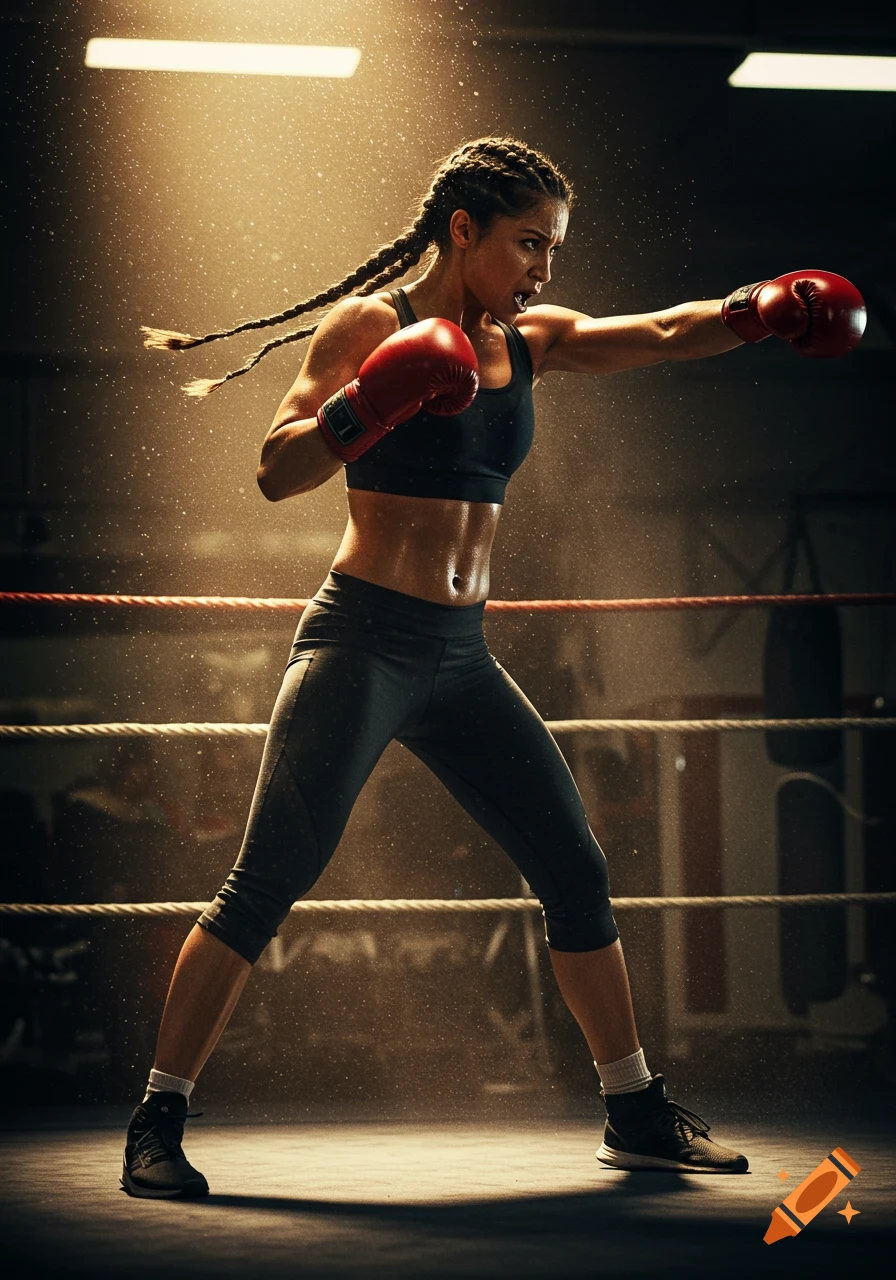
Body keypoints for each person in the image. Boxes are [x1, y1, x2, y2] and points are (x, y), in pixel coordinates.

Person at [125, 136, 865, 1197]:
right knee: (264, 880)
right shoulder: (369, 327)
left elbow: (656, 332)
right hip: (362, 638)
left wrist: (761, 307)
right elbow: (274, 470)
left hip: (461, 657)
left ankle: (634, 1110)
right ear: (459, 229)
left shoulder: (525, 341)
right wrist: (365, 404)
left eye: (553, 250)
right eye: (528, 244)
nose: (542, 272)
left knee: (575, 869)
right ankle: (155, 1119)